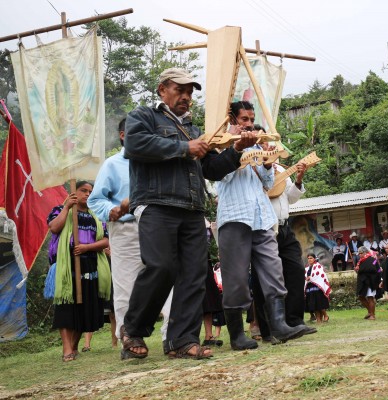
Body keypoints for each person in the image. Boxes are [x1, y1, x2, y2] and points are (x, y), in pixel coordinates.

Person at [121, 68, 254, 360]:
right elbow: (134, 144)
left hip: (193, 208)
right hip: (156, 204)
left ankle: (182, 340)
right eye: (179, 90)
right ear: (162, 90)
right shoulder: (143, 117)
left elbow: (212, 170)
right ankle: (133, 330)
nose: (185, 97)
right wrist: (184, 147)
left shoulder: (193, 130)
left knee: (194, 274)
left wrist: (236, 150)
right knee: (161, 267)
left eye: (189, 92)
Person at [216, 101, 305, 350]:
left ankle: (279, 326)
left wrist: (266, 163)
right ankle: (237, 335)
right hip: (235, 216)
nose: (249, 124)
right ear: (231, 119)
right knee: (236, 278)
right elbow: (218, 176)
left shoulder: (257, 143)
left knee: (273, 269)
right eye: (244, 119)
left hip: (262, 217)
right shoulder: (218, 144)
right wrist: (236, 149)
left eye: (251, 119)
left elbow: (268, 183)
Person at [88, 118, 172, 353]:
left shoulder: (160, 161)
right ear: (124, 136)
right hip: (126, 229)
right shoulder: (112, 165)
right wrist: (111, 211)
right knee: (126, 286)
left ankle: (173, 336)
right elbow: (95, 199)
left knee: (169, 280)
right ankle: (130, 339)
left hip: (160, 226)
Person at [252, 132, 317, 340]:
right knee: (263, 280)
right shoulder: (250, 169)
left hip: (285, 228)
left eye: (269, 143)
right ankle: (267, 329)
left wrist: (298, 178)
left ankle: (295, 321)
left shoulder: (281, 169)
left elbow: (291, 198)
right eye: (262, 144)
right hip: (263, 229)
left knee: (296, 272)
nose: (268, 147)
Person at [47, 181, 110, 362]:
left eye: (91, 191)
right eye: (84, 190)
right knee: (66, 307)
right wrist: (67, 207)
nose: (88, 194)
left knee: (86, 308)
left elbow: (106, 241)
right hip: (67, 267)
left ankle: (74, 346)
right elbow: (54, 228)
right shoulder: (60, 210)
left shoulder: (96, 215)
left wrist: (87, 248)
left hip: (90, 266)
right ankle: (67, 349)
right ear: (74, 192)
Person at [354, 246, 380, 320]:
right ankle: (370, 311)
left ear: (365, 253)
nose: (359, 255)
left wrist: (379, 278)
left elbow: (377, 269)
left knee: (370, 298)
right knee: (361, 297)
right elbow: (361, 272)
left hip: (370, 281)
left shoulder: (373, 260)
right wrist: (357, 270)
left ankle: (372, 315)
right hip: (362, 282)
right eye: (358, 253)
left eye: (360, 253)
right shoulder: (360, 262)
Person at [304, 253, 331, 323]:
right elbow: (305, 276)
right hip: (310, 287)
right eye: (308, 258)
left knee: (319, 303)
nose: (309, 260)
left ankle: (325, 315)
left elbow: (320, 275)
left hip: (318, 287)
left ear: (314, 259)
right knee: (313, 304)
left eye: (311, 258)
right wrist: (307, 278)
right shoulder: (307, 268)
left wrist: (311, 278)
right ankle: (318, 320)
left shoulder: (318, 266)